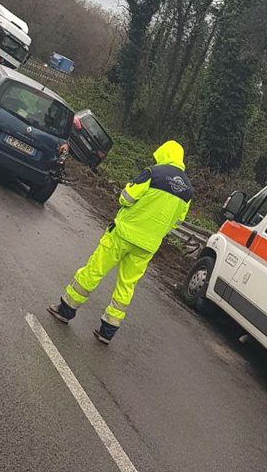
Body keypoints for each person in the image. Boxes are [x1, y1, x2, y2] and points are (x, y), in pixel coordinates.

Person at [48, 141, 193, 344]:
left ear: (164, 153)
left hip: (123, 234)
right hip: (147, 245)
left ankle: (66, 309)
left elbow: (126, 198)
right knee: (126, 286)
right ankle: (107, 331)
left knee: (94, 270)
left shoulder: (153, 172)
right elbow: (176, 223)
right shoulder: (187, 191)